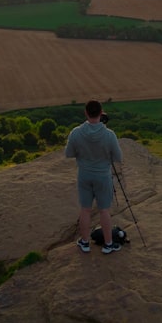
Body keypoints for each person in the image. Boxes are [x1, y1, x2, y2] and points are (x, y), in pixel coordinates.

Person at [65, 99, 123, 254]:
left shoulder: (76, 132)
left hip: (84, 175)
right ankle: (108, 245)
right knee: (104, 210)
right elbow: (118, 157)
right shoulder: (109, 135)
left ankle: (84, 242)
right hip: (103, 176)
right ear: (101, 112)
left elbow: (68, 153)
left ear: (86, 112)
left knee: (85, 209)